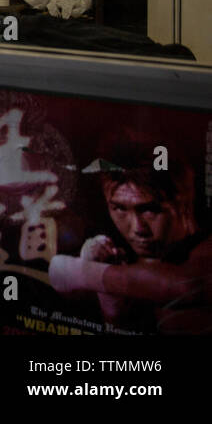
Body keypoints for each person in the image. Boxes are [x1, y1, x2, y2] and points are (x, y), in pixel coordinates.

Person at [49, 139, 212, 333]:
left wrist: (82, 272)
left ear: (182, 201)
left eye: (150, 210)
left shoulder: (205, 249)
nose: (138, 228)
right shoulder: (126, 264)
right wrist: (111, 302)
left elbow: (186, 287)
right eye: (119, 208)